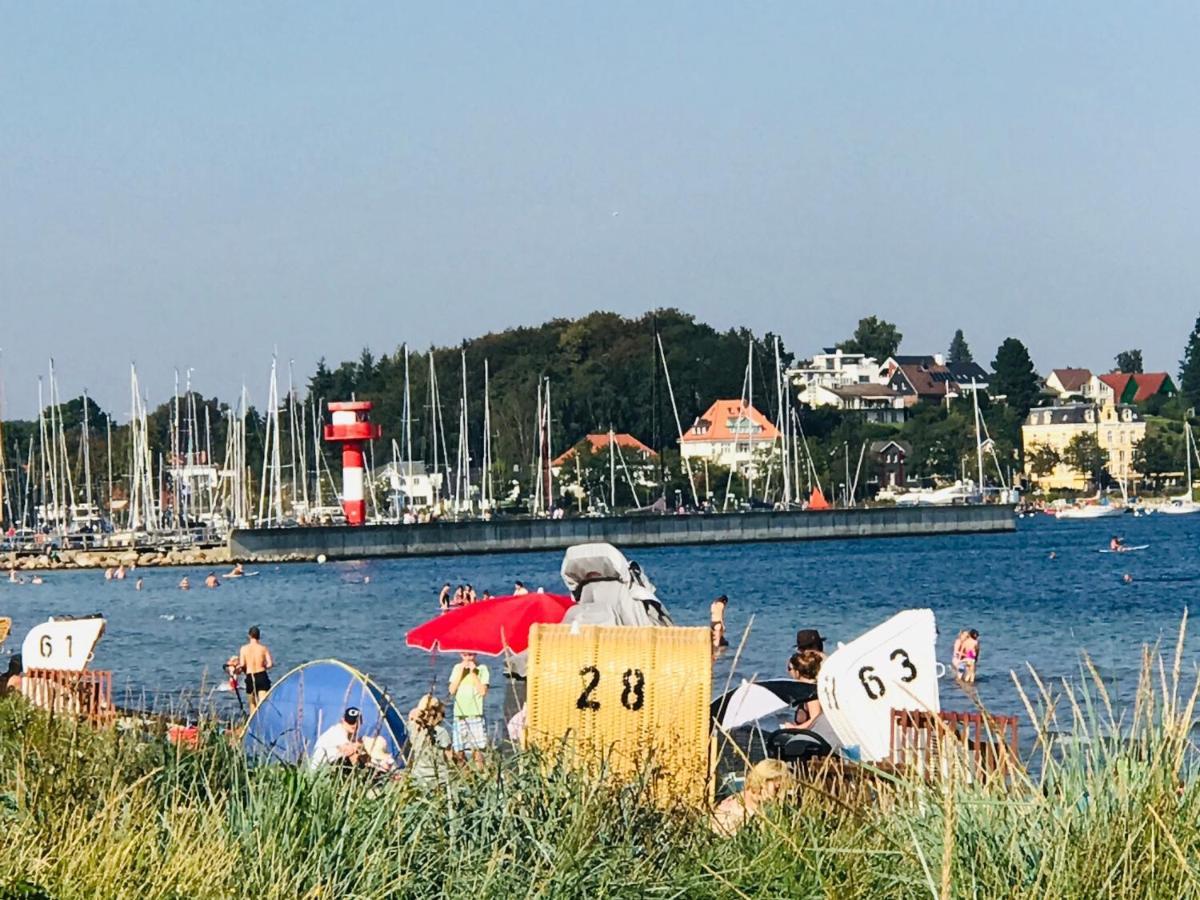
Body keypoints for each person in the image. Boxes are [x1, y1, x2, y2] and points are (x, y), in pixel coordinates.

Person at [710, 759, 793, 836]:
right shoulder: (731, 810)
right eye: (777, 788)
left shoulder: (762, 809)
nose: (778, 795)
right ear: (764, 781)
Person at [449, 651, 490, 767]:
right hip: (460, 715)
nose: (468, 658)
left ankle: (481, 773)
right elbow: (452, 690)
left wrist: (473, 674)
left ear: (476, 655)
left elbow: (482, 691)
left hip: (475, 714)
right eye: (465, 655)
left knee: (478, 750)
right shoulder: (457, 668)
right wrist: (461, 672)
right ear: (461, 655)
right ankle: (464, 776)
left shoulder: (482, 669)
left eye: (471, 655)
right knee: (459, 750)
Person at [406, 694, 453, 787]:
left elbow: (411, 717)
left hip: (418, 779)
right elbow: (449, 757)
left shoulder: (411, 729)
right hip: (439, 780)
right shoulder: (441, 732)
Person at [238, 626, 274, 710]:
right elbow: (270, 664)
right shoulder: (263, 648)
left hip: (250, 676)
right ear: (259, 636)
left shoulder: (243, 649)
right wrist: (263, 665)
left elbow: (242, 664)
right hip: (261, 675)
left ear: (249, 636)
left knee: (252, 704)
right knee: (263, 703)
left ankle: (254, 722)